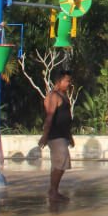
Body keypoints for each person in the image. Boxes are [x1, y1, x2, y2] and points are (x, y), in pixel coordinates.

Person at [38, 71, 75, 201]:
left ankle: (54, 190)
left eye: (69, 81)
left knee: (59, 164)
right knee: (61, 164)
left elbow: (66, 118)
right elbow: (50, 116)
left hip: (63, 135)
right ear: (59, 81)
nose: (68, 84)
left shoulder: (64, 96)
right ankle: (53, 191)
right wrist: (45, 135)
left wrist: (70, 136)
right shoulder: (53, 96)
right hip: (55, 135)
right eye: (66, 81)